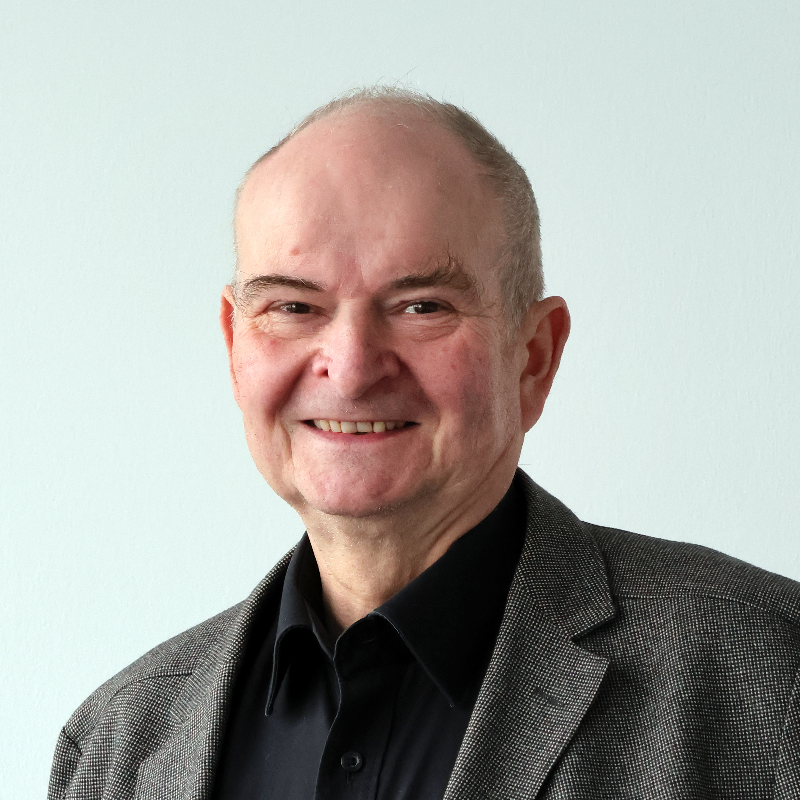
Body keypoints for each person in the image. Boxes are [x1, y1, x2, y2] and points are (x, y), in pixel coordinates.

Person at [49, 88, 800, 800]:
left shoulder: (769, 675)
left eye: (421, 306)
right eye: (293, 306)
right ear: (234, 345)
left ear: (533, 356)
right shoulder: (117, 745)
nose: (351, 369)